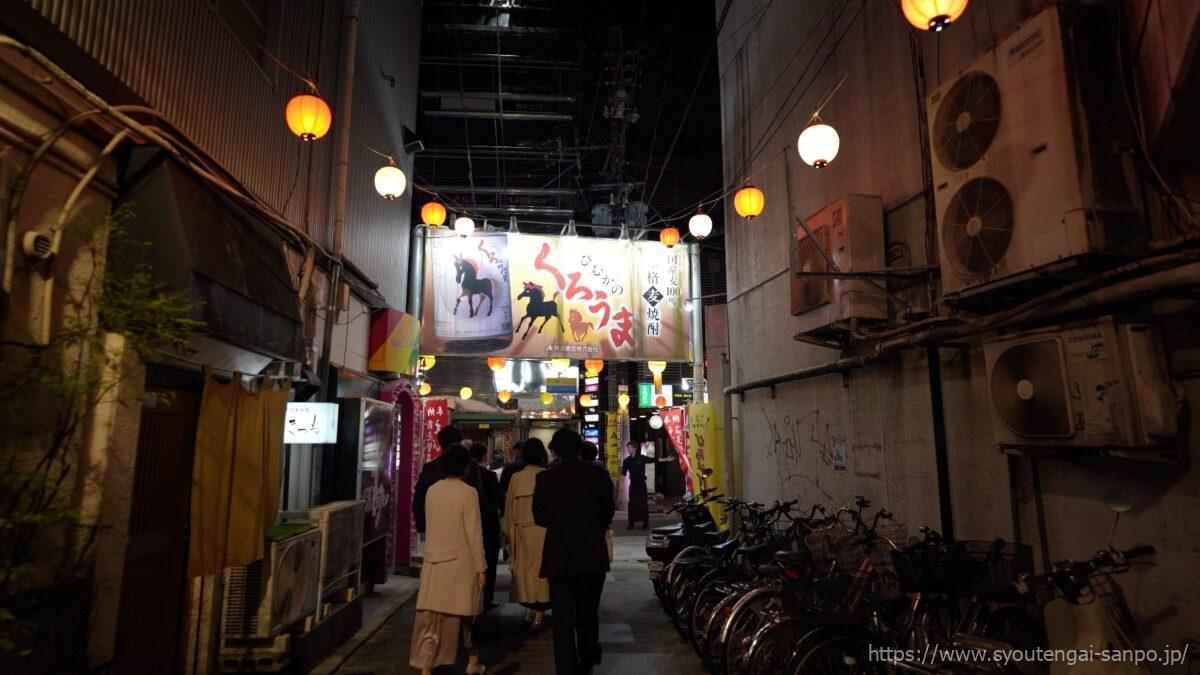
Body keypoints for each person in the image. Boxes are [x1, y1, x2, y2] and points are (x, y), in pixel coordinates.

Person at [533, 428, 615, 675]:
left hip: (559, 555)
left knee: (562, 617)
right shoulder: (596, 475)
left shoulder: (545, 478)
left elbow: (539, 516)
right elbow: (607, 513)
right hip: (591, 554)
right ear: (580, 448)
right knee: (588, 612)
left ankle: (566, 668)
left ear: (555, 450)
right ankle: (588, 659)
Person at [409, 444, 487, 674]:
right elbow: (474, 532)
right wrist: (481, 567)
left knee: (433, 617)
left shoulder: (433, 490)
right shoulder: (468, 493)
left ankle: (427, 666)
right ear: (466, 467)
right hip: (460, 563)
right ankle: (471, 661)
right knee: (464, 616)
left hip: (434, 561)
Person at [501, 439, 551, 631]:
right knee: (542, 573)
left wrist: (507, 537)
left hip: (521, 532)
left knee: (524, 573)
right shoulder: (547, 476)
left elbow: (509, 511)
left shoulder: (516, 478)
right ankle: (539, 614)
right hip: (543, 531)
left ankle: (528, 610)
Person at [413, 425, 480, 534]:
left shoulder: (430, 468)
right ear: (459, 443)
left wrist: (424, 528)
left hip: (435, 528)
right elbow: (478, 498)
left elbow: (418, 502)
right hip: (462, 529)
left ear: (440, 444)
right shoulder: (470, 465)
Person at [469, 442, 503, 608]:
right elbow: (499, 500)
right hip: (489, 524)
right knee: (490, 561)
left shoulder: (465, 476)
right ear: (484, 456)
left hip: (472, 523)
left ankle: (472, 596)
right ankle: (488, 597)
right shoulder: (489, 476)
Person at [620, 441, 669, 530]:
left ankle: (645, 523)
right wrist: (622, 485)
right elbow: (623, 473)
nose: (629, 449)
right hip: (633, 486)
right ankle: (631, 523)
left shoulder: (641, 458)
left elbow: (653, 460)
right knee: (632, 504)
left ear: (635, 449)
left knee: (643, 504)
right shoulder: (627, 461)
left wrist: (665, 459)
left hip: (642, 485)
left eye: (630, 447)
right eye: (628, 448)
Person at [498, 441, 526, 513]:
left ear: (517, 451)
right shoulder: (535, 466)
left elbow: (502, 488)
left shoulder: (510, 466)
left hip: (512, 503)